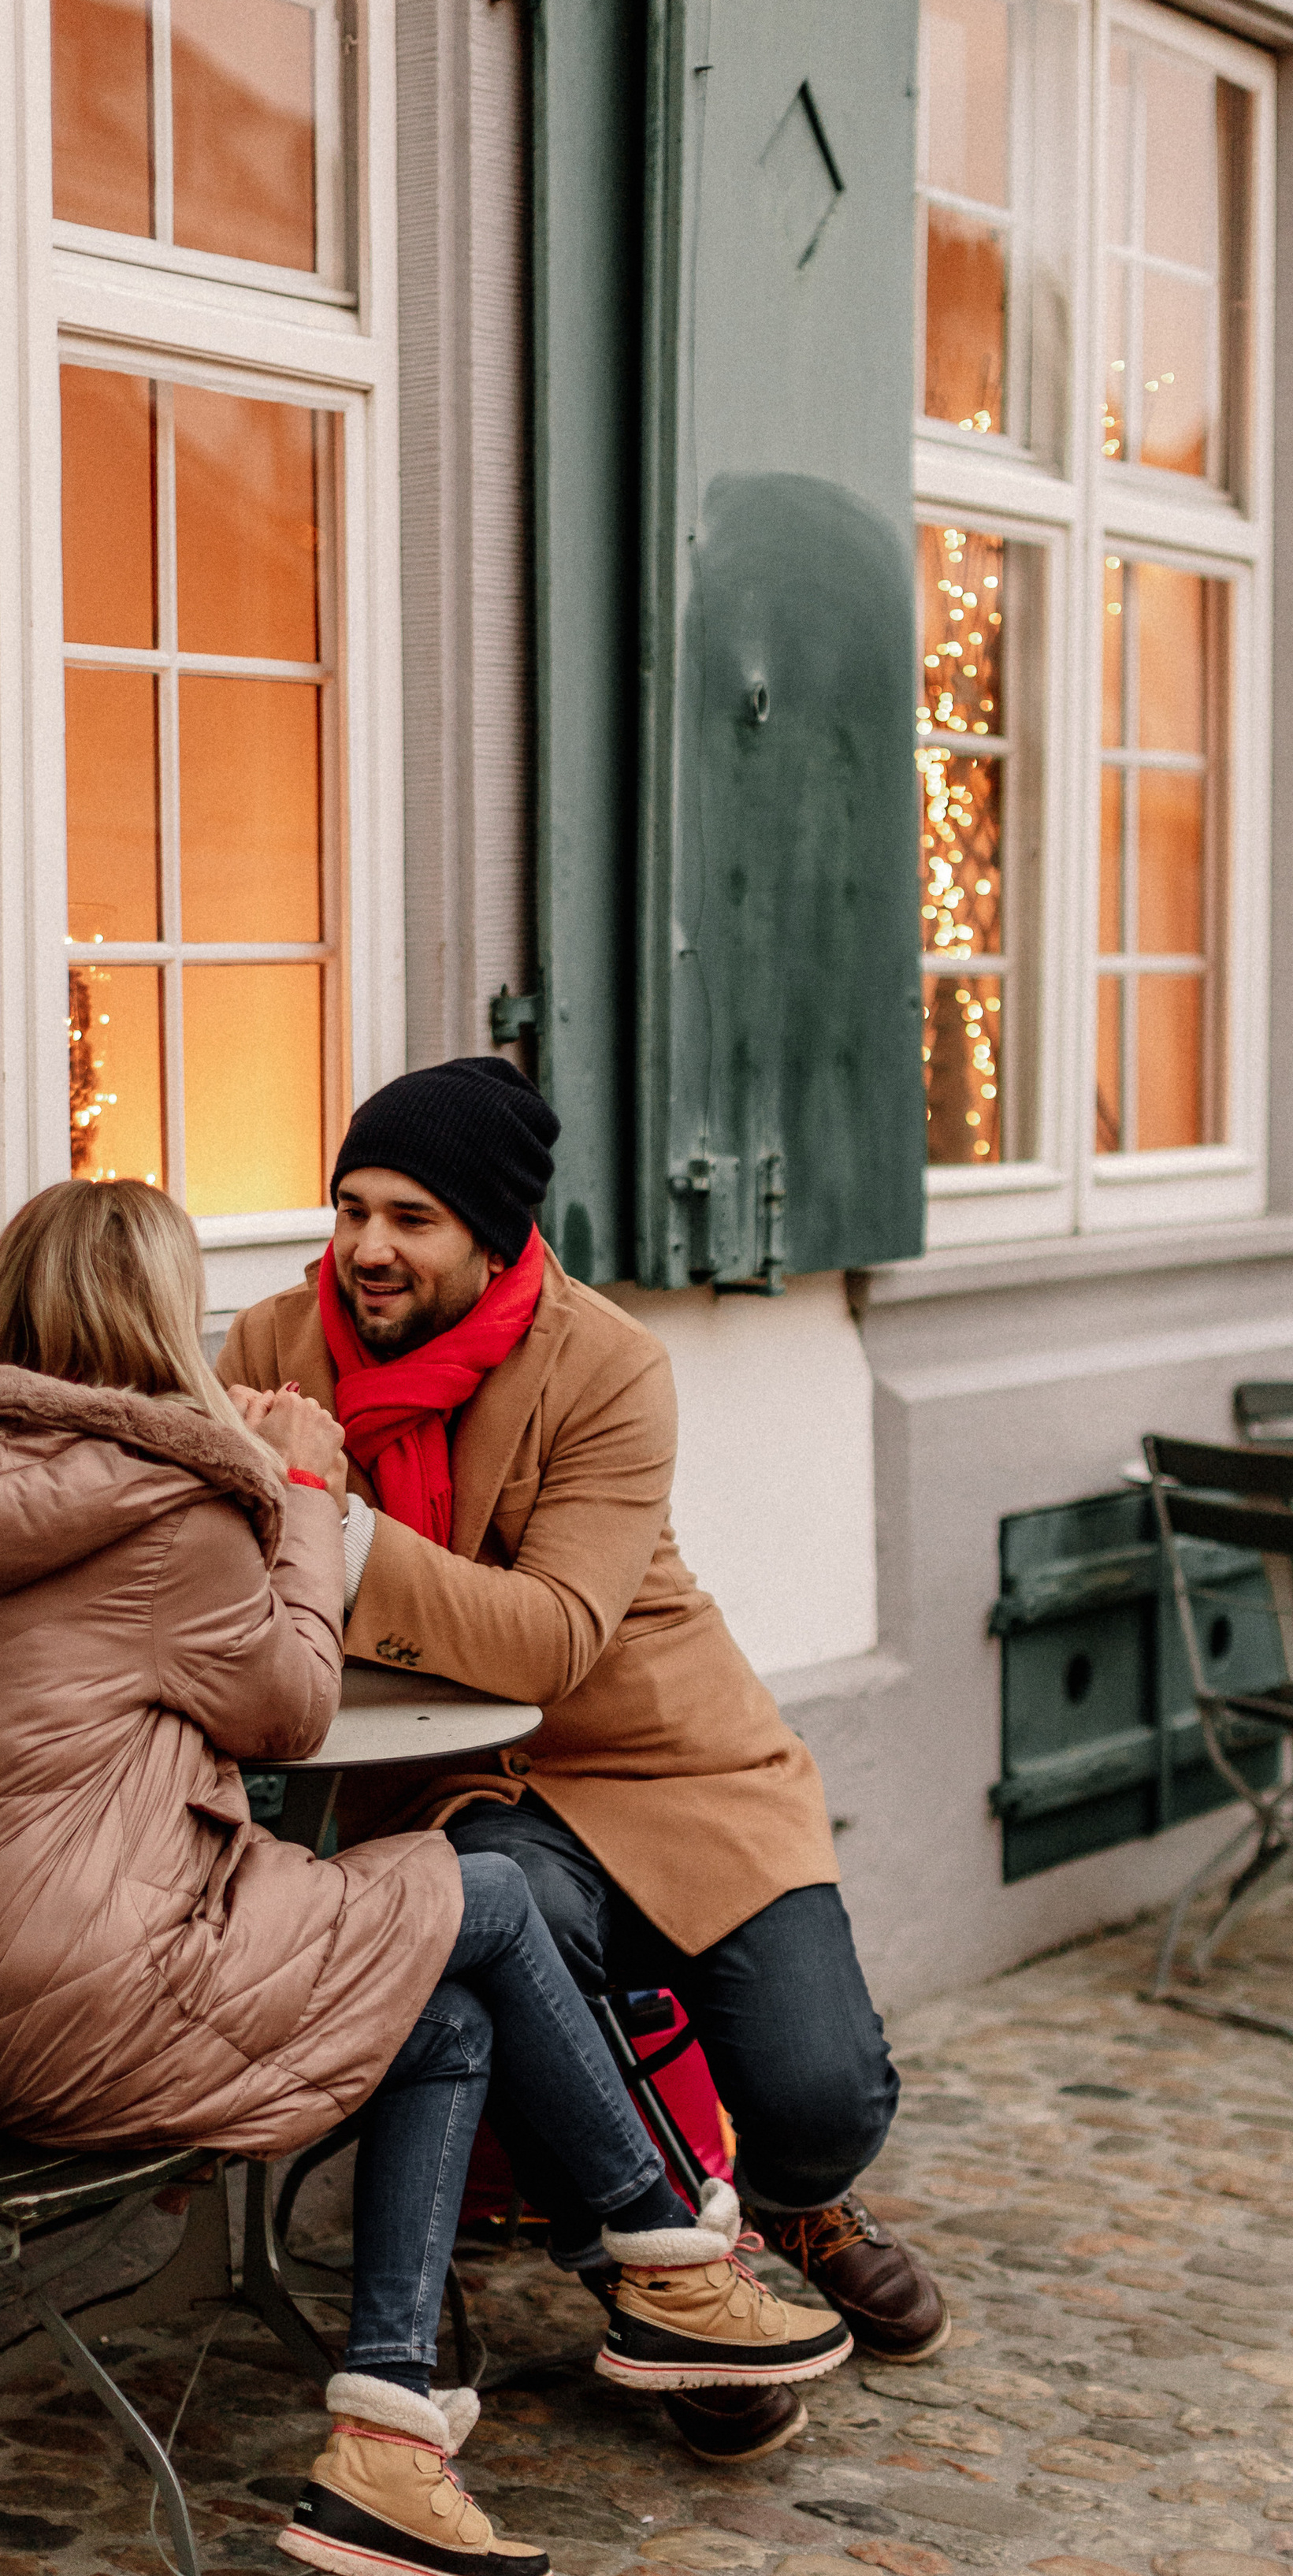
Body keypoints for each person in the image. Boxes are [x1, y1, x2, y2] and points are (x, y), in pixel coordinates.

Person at [0, 1179, 850, 2576]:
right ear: (153, 1319)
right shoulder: (163, 1517)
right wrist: (305, 1491)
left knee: (445, 2009)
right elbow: (296, 1704)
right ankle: (664, 2260)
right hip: (108, 1995)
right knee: (488, 1896)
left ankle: (385, 2444)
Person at [220, 1056, 950, 2467]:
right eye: (351, 1209)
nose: (368, 1248)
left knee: (823, 2093)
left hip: (666, 1765)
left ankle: (800, 2202)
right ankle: (669, 2290)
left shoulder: (606, 1363)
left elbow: (554, 1638)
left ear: (492, 1233)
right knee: (503, 1922)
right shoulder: (266, 1354)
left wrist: (338, 1529)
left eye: (413, 1219)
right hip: (454, 1793)